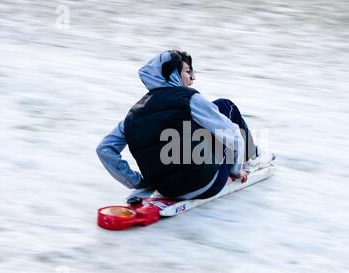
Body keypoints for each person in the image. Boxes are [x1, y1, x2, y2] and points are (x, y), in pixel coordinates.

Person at [96, 50, 270, 200]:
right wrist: (235, 171)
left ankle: (244, 157)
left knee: (192, 129)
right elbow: (233, 135)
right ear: (172, 74)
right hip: (207, 183)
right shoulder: (189, 98)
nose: (193, 78)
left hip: (167, 190)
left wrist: (138, 182)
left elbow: (104, 149)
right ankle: (253, 158)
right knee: (225, 106)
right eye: (188, 71)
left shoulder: (131, 116)